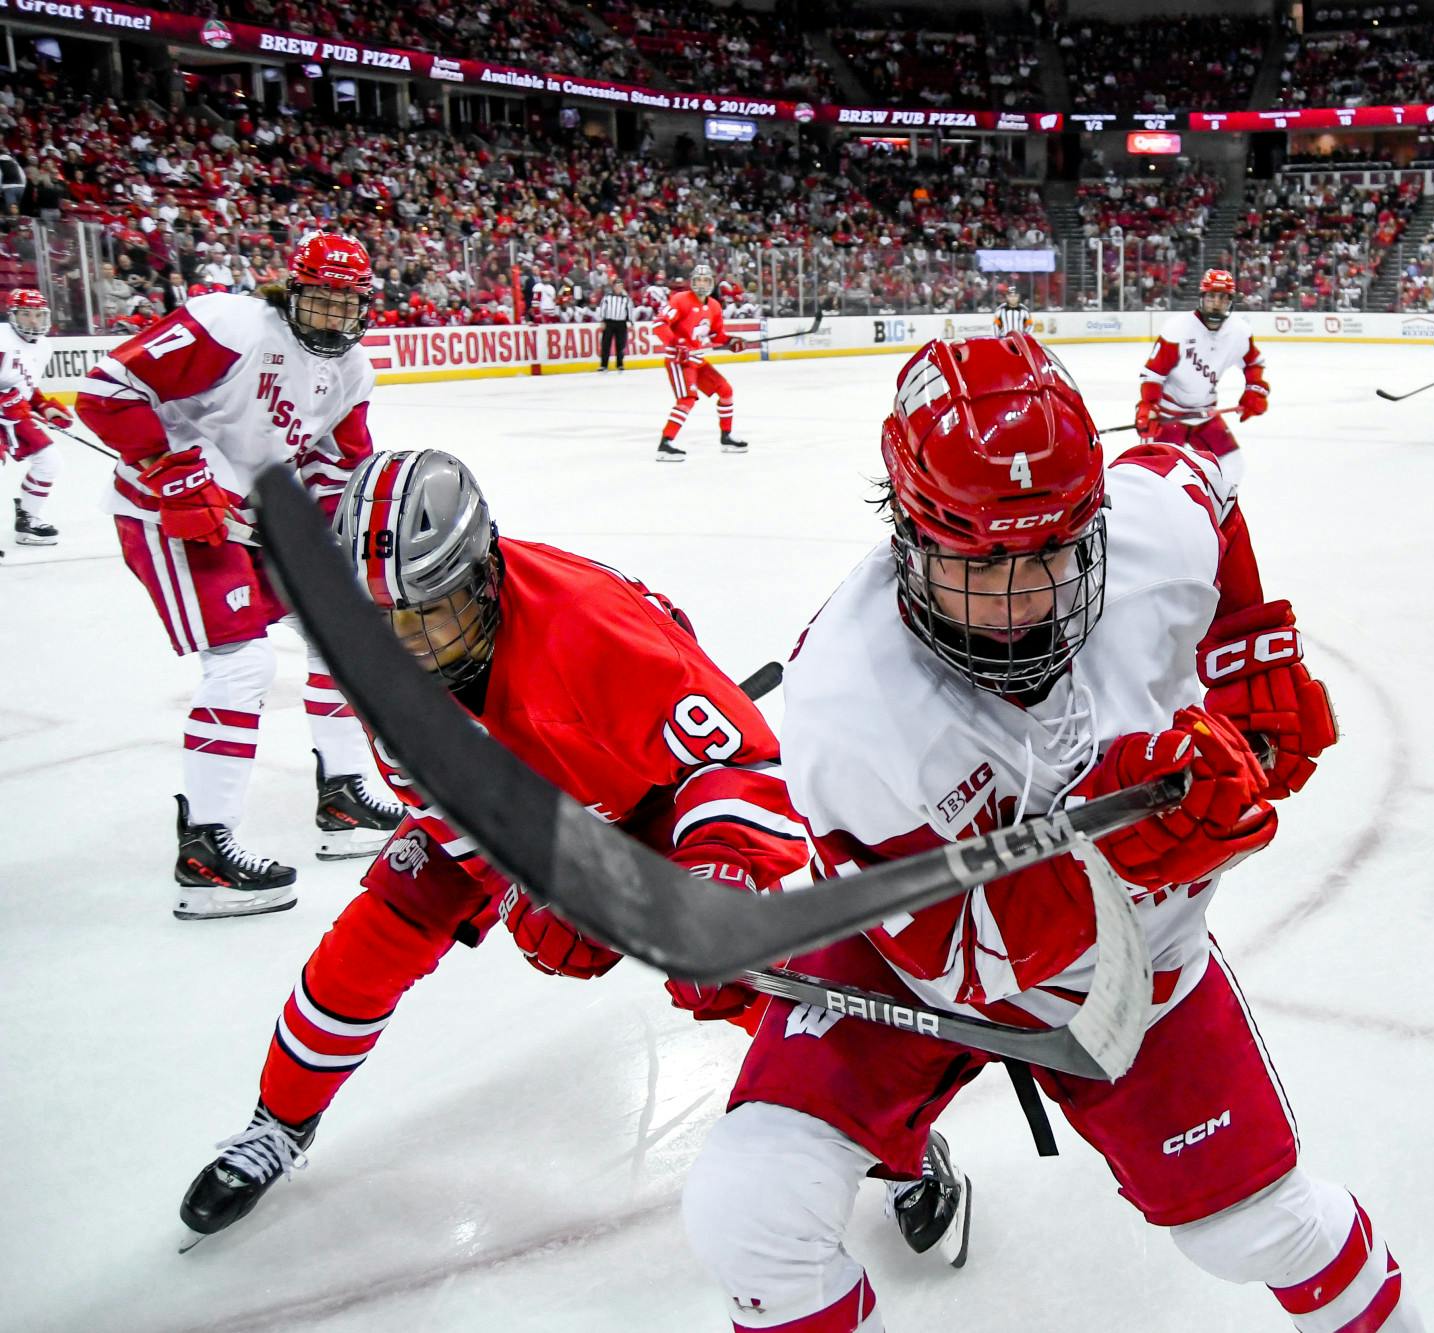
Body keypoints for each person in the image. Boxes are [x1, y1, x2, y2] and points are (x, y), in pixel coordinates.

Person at [682, 335, 1410, 1333]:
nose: (1023, 606)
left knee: (1258, 1232)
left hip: (1136, 971)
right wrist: (1125, 844)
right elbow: (951, 959)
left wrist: (1250, 646)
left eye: (1053, 556)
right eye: (977, 567)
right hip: (913, 955)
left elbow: (1201, 478)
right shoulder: (850, 700)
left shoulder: (1147, 524)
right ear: (907, 532)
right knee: (747, 1211)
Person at [177, 450, 968, 1262]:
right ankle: (278, 1120)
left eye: (430, 616)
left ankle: (892, 1138)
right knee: (374, 935)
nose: (406, 646)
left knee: (735, 973)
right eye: (387, 626)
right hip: (504, 796)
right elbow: (443, 805)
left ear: (482, 577)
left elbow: (745, 760)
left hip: (639, 796)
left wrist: (716, 873)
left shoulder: (590, 632)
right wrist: (526, 890)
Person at [73, 233, 403, 918]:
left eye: (348, 305)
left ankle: (342, 797)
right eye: (320, 300)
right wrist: (171, 470)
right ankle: (204, 851)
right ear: (291, 290)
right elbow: (105, 393)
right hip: (166, 514)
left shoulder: (352, 373)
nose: (334, 317)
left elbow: (337, 466)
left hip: (248, 514)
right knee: (243, 663)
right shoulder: (229, 324)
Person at [1134, 268, 1270, 500]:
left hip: (1204, 415)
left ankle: (1213, 512)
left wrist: (1254, 391)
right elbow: (1153, 374)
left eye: (1223, 298)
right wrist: (1148, 406)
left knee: (1233, 465)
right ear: (1202, 298)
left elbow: (1254, 364)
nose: (1216, 303)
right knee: (1157, 476)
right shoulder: (1178, 329)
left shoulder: (1239, 331)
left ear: (1231, 301)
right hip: (1169, 416)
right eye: (1211, 297)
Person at [654, 263, 748, 461]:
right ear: (692, 282)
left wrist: (731, 341)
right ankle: (665, 443)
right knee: (687, 399)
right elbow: (659, 324)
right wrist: (676, 343)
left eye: (706, 280)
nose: (702, 284)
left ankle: (726, 437)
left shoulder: (714, 306)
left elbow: (717, 335)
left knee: (725, 390)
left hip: (696, 358)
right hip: (679, 360)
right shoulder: (680, 300)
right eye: (698, 280)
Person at [0, 288, 70, 547]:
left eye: (38, 315)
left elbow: (25, 387)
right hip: (5, 412)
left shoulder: (44, 347)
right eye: (26, 314)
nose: (33, 321)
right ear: (12, 315)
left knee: (50, 462)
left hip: (12, 415)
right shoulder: (1, 339)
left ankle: (29, 519)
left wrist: (43, 407)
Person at [597, 279, 633, 371]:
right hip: (609, 322)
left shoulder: (626, 298)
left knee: (620, 345)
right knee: (606, 344)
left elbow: (629, 311)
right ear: (613, 287)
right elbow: (602, 309)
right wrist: (602, 320)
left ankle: (620, 364)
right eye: (617, 286)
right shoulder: (607, 297)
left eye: (620, 286)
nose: (618, 288)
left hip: (621, 323)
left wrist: (630, 322)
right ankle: (604, 365)